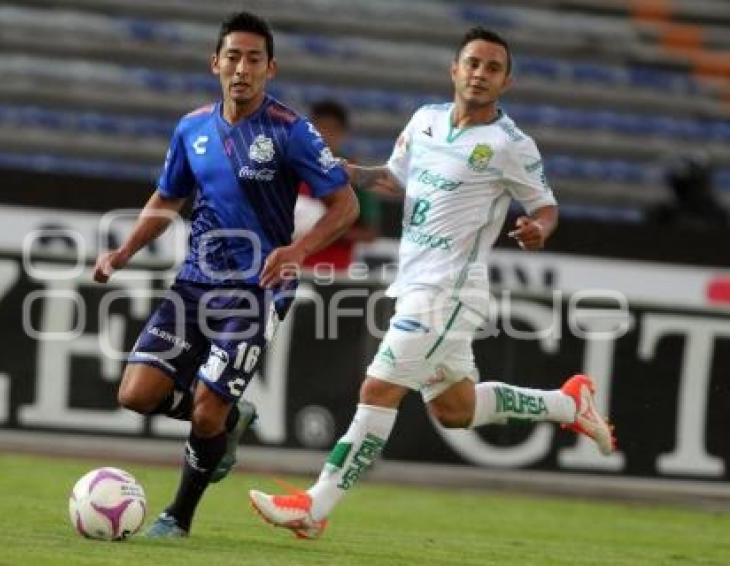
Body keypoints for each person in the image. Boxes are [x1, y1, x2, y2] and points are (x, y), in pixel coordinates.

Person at [249, 26, 616, 539]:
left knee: (378, 387)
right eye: (473, 64)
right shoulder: (424, 121)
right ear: (454, 69)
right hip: (413, 283)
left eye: (492, 68)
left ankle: (315, 504)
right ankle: (567, 403)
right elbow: (394, 178)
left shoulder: (510, 144)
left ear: (507, 82)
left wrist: (539, 227)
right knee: (456, 410)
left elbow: (545, 205)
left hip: (448, 291)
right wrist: (345, 171)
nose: (480, 74)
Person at [93, 11, 358, 538]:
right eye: (232, 57)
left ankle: (177, 517)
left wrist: (296, 250)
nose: (242, 68)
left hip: (256, 290)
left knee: (207, 411)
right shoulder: (192, 127)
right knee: (136, 394)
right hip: (194, 283)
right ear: (215, 63)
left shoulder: (290, 131)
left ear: (270, 68)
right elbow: (168, 197)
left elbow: (345, 203)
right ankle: (232, 422)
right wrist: (123, 252)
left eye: (254, 59)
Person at [295, 99, 380, 270]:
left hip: (334, 273)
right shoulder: (289, 168)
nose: (324, 135)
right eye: (318, 128)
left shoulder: (356, 175)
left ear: (342, 133)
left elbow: (370, 233)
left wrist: (324, 228)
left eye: (331, 130)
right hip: (291, 268)